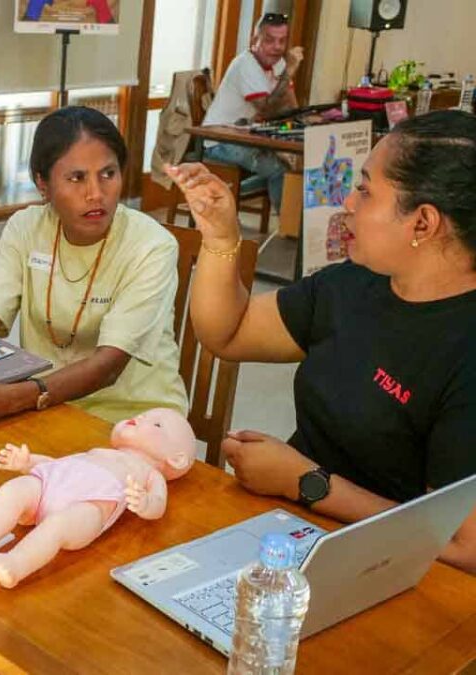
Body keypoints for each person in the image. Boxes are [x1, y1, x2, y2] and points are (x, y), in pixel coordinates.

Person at [166, 109, 476, 574]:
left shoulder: (463, 350)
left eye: (366, 190)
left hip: (387, 571)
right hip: (288, 535)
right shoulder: (352, 285)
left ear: (423, 222)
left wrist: (308, 483)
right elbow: (227, 332)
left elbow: (460, 548)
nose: (348, 203)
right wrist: (220, 236)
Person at [0, 106, 188, 428]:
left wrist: (12, 399)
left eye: (108, 173)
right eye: (77, 178)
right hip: (45, 406)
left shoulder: (151, 246)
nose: (96, 194)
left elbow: (108, 367)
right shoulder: (25, 228)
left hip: (137, 420)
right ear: (43, 183)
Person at [201, 12, 303, 210]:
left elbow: (290, 105)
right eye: (269, 40)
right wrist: (289, 72)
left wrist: (304, 118)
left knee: (295, 165)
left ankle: (234, 195)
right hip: (220, 140)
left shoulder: (279, 63)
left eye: (282, 41)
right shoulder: (245, 64)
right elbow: (266, 107)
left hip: (246, 135)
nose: (277, 47)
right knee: (279, 170)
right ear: (254, 40)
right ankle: (287, 230)